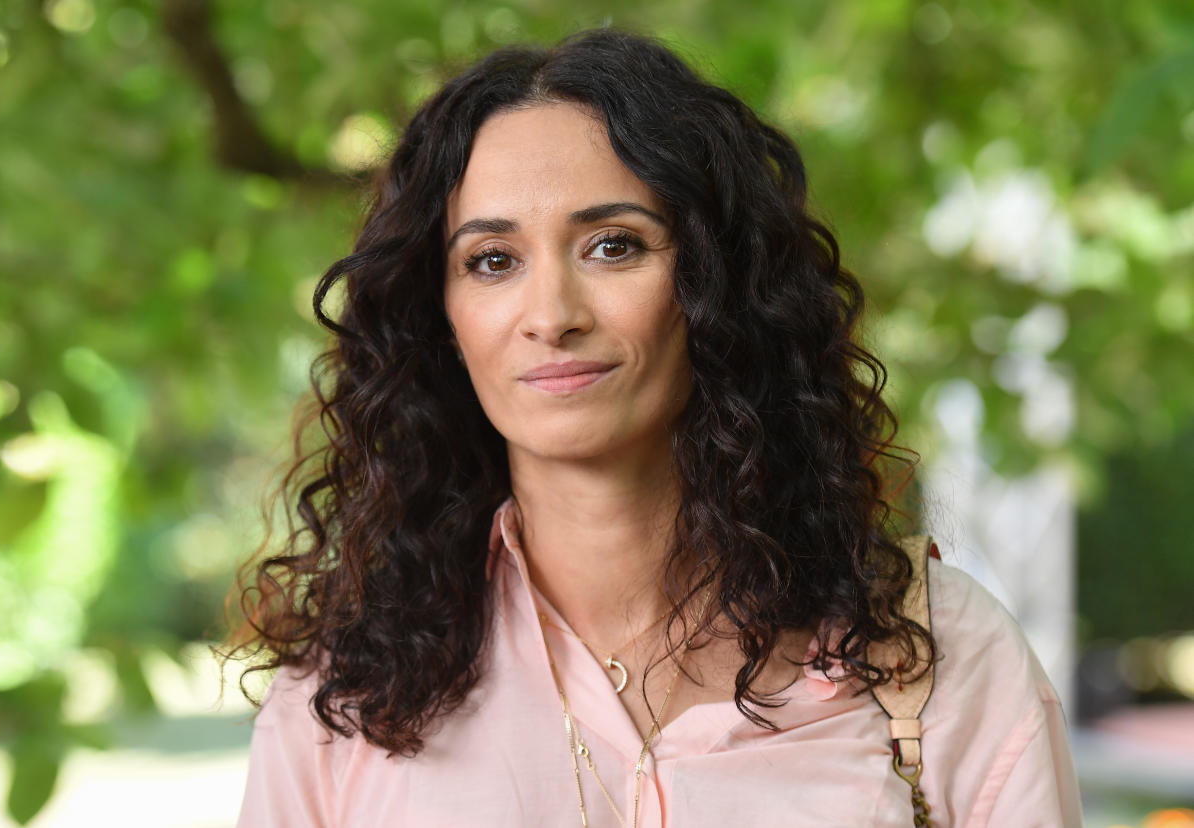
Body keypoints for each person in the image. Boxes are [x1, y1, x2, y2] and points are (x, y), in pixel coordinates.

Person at [227, 28, 1082, 827]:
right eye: (492, 261)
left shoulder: (936, 661)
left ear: (715, 284)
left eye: (614, 245)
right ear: (439, 316)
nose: (551, 315)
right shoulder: (342, 703)